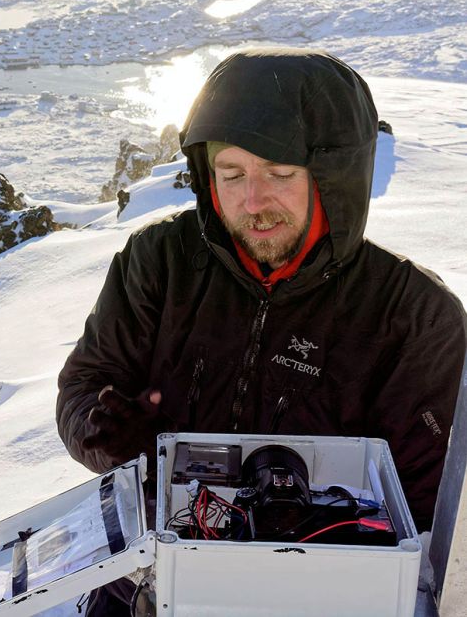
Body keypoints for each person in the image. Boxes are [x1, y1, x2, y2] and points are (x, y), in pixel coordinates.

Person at [56, 48, 467, 615]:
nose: (253, 202)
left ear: (332, 177)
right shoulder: (158, 262)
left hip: (321, 594)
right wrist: (106, 436)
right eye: (231, 174)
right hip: (151, 577)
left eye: (279, 173)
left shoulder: (413, 316)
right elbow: (85, 385)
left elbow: (432, 504)